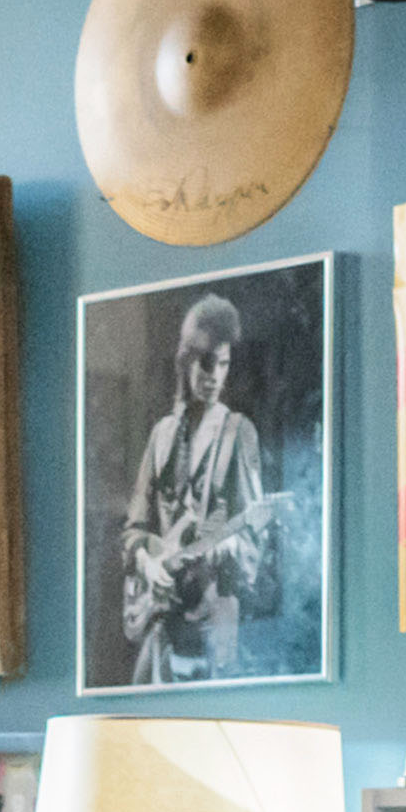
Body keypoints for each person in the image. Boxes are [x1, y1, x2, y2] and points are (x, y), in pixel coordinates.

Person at [116, 292, 277, 685]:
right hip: (161, 617)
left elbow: (255, 537)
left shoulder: (239, 433)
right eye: (206, 363)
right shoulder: (161, 435)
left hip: (212, 620)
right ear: (185, 360)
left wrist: (227, 546)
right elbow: (133, 529)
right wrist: (149, 562)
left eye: (224, 363)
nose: (215, 376)